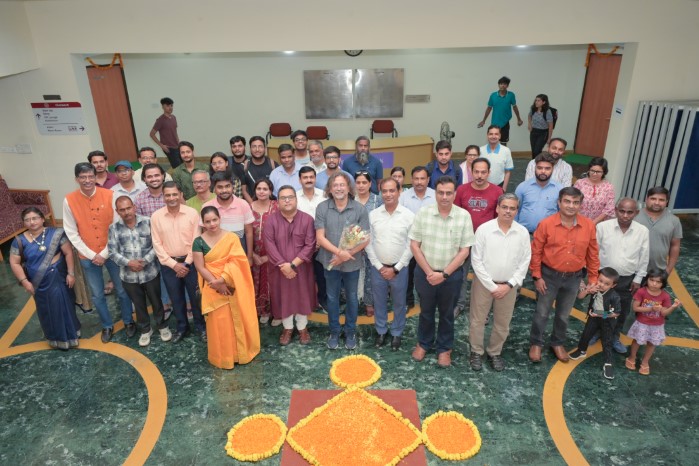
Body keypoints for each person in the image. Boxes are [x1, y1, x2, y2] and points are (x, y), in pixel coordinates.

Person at [63, 163, 133, 343]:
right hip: (88, 256)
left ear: (95, 177)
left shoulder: (110, 195)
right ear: (76, 179)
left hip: (112, 253)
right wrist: (91, 254)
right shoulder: (69, 200)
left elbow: (117, 226)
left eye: (90, 176)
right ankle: (107, 325)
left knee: (122, 290)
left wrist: (104, 253)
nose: (87, 180)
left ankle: (128, 321)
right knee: (97, 294)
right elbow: (71, 232)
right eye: (83, 177)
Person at [529, 187, 600, 363]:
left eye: (575, 202)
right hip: (548, 276)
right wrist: (537, 276)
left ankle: (557, 343)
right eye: (567, 201)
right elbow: (536, 252)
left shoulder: (589, 226)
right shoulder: (546, 224)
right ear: (559, 203)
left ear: (580, 205)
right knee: (542, 312)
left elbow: (592, 253)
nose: (571, 206)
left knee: (563, 314)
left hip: (574, 278)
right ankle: (536, 343)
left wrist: (593, 278)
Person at [409, 176, 474, 368]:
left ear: (455, 194)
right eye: (440, 193)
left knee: (447, 314)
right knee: (426, 311)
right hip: (425, 274)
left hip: (451, 276)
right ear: (435, 193)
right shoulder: (423, 213)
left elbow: (465, 250)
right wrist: (430, 272)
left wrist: (444, 274)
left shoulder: (464, 216)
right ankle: (424, 343)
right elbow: (414, 245)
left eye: (448, 193)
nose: (444, 197)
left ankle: (444, 348)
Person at [192, 206, 260, 369]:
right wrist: (216, 284)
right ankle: (224, 357)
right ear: (203, 223)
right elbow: (200, 266)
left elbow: (238, 261)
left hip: (232, 285)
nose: (212, 224)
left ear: (220, 219)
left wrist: (223, 279)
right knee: (220, 322)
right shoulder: (198, 242)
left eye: (214, 220)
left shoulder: (231, 238)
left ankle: (241, 353)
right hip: (212, 287)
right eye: (208, 221)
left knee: (237, 318)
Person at [469, 193, 530, 372]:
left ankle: (495, 352)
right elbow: (476, 260)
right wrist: (492, 285)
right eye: (504, 207)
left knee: (503, 323)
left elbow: (525, 260)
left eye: (512, 208)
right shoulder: (484, 230)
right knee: (477, 320)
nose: (508, 211)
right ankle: (476, 351)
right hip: (483, 284)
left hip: (509, 287)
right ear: (497, 208)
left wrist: (509, 285)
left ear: (517, 211)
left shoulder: (522, 233)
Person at [9, 207, 80, 350]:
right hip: (38, 284)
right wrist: (25, 282)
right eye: (27, 220)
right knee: (46, 310)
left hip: (59, 278)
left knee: (64, 305)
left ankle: (71, 335)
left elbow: (68, 253)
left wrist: (71, 273)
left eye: (34, 218)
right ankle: (55, 338)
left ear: (42, 219)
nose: (31, 222)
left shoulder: (56, 234)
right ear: (24, 223)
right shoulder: (19, 241)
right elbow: (14, 263)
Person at [315, 172, 371, 350]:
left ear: (348, 188)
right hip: (329, 260)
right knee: (332, 298)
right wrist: (339, 253)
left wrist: (348, 254)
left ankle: (350, 331)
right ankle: (334, 331)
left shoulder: (359, 209)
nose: (339, 188)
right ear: (330, 189)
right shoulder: (322, 208)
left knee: (352, 298)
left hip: (352, 262)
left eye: (342, 185)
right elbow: (320, 237)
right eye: (335, 185)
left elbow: (366, 238)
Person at [109, 196, 171, 347]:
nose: (126, 212)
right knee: (138, 304)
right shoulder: (113, 228)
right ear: (117, 211)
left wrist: (144, 261)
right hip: (128, 276)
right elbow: (112, 252)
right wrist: (129, 263)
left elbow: (158, 245)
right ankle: (145, 329)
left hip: (150, 272)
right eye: (122, 210)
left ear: (134, 207)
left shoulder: (148, 222)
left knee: (156, 301)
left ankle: (162, 326)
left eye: (128, 208)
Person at [151, 181, 206, 343]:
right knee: (176, 298)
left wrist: (187, 263)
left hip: (192, 264)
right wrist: (174, 265)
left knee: (196, 298)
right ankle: (182, 328)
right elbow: (157, 244)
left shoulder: (192, 213)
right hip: (169, 266)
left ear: (181, 195)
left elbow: (196, 240)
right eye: (167, 195)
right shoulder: (156, 217)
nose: (171, 198)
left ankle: (201, 327)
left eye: (175, 194)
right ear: (163, 197)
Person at [263, 186, 317, 345]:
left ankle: (302, 328)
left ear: (296, 199)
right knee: (283, 297)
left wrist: (292, 265)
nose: (287, 201)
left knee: (302, 296)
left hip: (301, 268)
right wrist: (283, 265)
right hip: (279, 269)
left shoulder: (307, 219)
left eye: (290, 197)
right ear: (277, 201)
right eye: (283, 198)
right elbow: (269, 245)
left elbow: (310, 245)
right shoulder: (271, 221)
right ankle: (287, 328)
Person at [595, 198, 649, 353]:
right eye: (622, 211)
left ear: (636, 213)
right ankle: (596, 332)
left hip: (627, 279)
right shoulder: (602, 227)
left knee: (621, 310)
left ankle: (614, 337)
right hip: (603, 278)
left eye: (630, 212)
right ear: (615, 210)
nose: (625, 215)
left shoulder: (642, 231)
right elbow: (594, 252)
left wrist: (638, 279)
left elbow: (644, 257)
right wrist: (595, 276)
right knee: (599, 307)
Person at [366, 178, 414, 351]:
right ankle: (381, 330)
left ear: (399, 191)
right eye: (384, 191)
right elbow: (368, 242)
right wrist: (379, 266)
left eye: (392, 190)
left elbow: (411, 245)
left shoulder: (409, 216)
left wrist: (396, 268)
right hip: (377, 268)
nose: (388, 194)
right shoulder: (373, 215)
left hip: (400, 269)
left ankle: (396, 332)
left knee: (399, 303)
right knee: (379, 301)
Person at [453, 157, 504, 316]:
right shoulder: (462, 190)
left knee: (485, 277)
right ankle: (459, 304)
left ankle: (483, 310)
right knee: (461, 275)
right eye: (476, 172)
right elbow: (456, 215)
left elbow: (499, 218)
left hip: (487, 243)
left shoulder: (497, 192)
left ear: (489, 172)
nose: (480, 175)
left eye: (483, 172)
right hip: (464, 242)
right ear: (471, 171)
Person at [568, 267, 623, 380]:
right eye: (600, 280)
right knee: (586, 335)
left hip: (607, 321)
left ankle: (608, 363)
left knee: (607, 341)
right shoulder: (594, 288)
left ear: (613, 285)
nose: (601, 285)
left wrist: (600, 314)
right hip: (593, 317)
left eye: (606, 284)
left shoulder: (614, 296)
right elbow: (580, 297)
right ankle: (581, 350)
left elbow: (616, 313)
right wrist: (588, 290)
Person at [625, 269, 681, 376]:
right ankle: (632, 357)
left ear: (663, 283)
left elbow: (664, 313)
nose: (654, 284)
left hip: (656, 325)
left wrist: (673, 307)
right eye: (652, 280)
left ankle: (645, 361)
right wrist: (651, 309)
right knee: (637, 341)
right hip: (642, 323)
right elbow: (635, 308)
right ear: (647, 280)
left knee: (651, 343)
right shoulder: (642, 291)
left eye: (658, 282)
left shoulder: (665, 296)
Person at [399, 166, 436, 309]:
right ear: (412, 180)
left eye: (422, 178)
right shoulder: (404, 197)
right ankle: (408, 301)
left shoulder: (435, 195)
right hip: (408, 243)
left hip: (429, 244)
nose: (419, 182)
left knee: (427, 273)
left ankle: (426, 300)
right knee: (407, 275)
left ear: (428, 180)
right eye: (416, 178)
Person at [203, 171, 254, 259]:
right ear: (214, 188)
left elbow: (249, 232)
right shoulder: (207, 206)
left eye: (227, 186)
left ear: (232, 187)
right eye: (220, 187)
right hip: (216, 256)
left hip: (239, 254)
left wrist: (249, 257)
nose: (224, 190)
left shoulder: (243, 204)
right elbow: (205, 233)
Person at [296, 166, 327, 310]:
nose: (308, 180)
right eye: (305, 177)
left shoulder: (324, 195)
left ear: (315, 178)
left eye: (311, 177)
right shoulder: (294, 197)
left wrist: (320, 240)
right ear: (300, 180)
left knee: (322, 274)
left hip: (323, 242)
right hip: (301, 244)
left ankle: (322, 300)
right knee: (303, 274)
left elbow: (328, 219)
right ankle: (305, 301)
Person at [354, 171, 384, 317]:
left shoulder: (378, 200)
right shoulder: (350, 200)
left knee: (372, 276)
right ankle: (354, 300)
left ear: (370, 184)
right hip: (354, 246)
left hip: (374, 245)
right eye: (358, 182)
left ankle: (369, 302)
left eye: (364, 182)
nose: (361, 185)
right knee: (354, 274)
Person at [635, 186, 682, 274]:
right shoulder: (634, 216)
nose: (657, 202)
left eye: (661, 200)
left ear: (667, 202)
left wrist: (668, 270)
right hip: (632, 269)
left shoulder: (674, 220)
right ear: (646, 199)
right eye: (653, 199)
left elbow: (675, 246)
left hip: (657, 272)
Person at [250, 178, 278, 325]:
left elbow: (283, 233)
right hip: (253, 254)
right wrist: (252, 254)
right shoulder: (248, 207)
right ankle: (263, 312)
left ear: (271, 191)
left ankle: (278, 313)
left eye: (265, 189)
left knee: (274, 283)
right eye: (259, 189)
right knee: (256, 282)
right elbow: (245, 233)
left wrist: (269, 256)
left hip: (274, 254)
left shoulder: (277, 207)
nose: (261, 192)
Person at [514, 152, 562, 234]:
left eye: (547, 168)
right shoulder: (522, 187)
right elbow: (515, 209)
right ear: (535, 168)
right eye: (539, 168)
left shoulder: (559, 189)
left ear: (553, 169)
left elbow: (561, 212)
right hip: (524, 234)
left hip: (549, 235)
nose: (543, 171)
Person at [477, 76, 523, 145]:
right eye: (501, 84)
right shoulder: (493, 95)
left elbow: (515, 107)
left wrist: (519, 119)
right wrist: (483, 121)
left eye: (504, 84)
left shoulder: (511, 95)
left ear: (507, 85)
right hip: (494, 123)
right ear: (498, 85)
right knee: (492, 142)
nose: (502, 85)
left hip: (505, 123)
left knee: (503, 144)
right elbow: (489, 108)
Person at [574, 157, 615, 224]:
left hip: (599, 224)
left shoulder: (608, 187)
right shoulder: (580, 183)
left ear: (604, 172)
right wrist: (582, 222)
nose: (594, 174)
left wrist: (593, 223)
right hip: (578, 221)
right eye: (592, 171)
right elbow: (573, 202)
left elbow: (609, 208)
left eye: (598, 172)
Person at [243, 136, 277, 203]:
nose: (257, 149)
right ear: (250, 149)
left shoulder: (272, 164)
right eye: (254, 146)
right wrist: (253, 205)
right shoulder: (245, 165)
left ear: (265, 148)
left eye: (260, 146)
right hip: (252, 204)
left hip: (271, 204)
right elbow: (244, 191)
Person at [149, 97, 181, 168]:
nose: (170, 108)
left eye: (171, 106)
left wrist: (178, 142)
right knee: (177, 167)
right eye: (168, 106)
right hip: (169, 148)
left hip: (177, 146)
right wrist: (162, 145)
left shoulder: (173, 117)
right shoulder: (160, 120)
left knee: (182, 165)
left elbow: (174, 131)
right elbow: (152, 134)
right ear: (163, 107)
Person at [481, 125, 514, 191]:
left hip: (499, 185)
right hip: (482, 185)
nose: (493, 136)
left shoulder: (506, 151)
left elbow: (507, 172)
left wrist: (504, 188)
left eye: (496, 134)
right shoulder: (480, 150)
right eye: (491, 134)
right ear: (487, 135)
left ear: (500, 136)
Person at [528, 94, 554, 158]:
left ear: (544, 102)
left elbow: (550, 126)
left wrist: (549, 138)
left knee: (537, 150)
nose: (536, 102)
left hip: (543, 133)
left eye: (538, 100)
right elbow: (529, 116)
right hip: (534, 132)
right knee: (533, 150)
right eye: (536, 100)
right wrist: (529, 124)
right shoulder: (533, 109)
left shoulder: (547, 111)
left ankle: (538, 162)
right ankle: (534, 162)